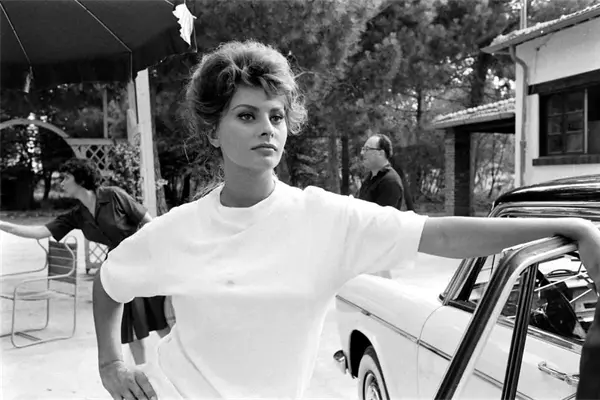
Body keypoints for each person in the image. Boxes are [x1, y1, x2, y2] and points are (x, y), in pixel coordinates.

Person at [93, 40, 600, 400]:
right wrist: (111, 363)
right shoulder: (179, 230)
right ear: (212, 131)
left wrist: (572, 229)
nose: (267, 128)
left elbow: (441, 233)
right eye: (246, 115)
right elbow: (110, 283)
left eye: (276, 115)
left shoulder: (324, 218)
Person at [0, 158, 170, 365]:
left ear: (80, 179)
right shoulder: (77, 215)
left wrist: (152, 255)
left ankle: (185, 367)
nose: (62, 183)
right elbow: (39, 231)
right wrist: (3, 225)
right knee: (132, 328)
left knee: (160, 321)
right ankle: (144, 373)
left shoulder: (113, 195)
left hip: (143, 264)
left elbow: (149, 223)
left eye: (66, 178)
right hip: (118, 270)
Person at [358, 134, 404, 210]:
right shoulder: (370, 178)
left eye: (367, 149)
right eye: (363, 149)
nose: (362, 153)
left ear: (381, 153)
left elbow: (381, 216)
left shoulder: (390, 181)